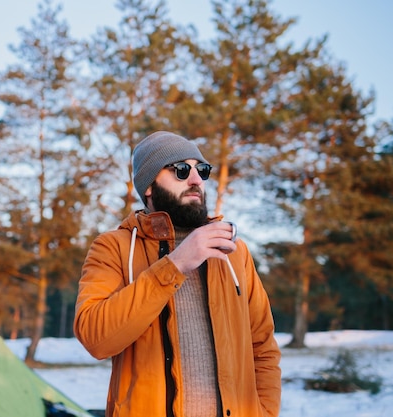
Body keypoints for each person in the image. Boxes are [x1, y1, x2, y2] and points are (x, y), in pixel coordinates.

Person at [73, 131, 281, 417]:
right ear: (149, 186)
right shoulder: (114, 248)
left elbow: (263, 347)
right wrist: (176, 264)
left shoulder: (234, 251)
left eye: (202, 170)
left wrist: (265, 413)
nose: (196, 180)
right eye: (180, 170)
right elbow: (96, 337)